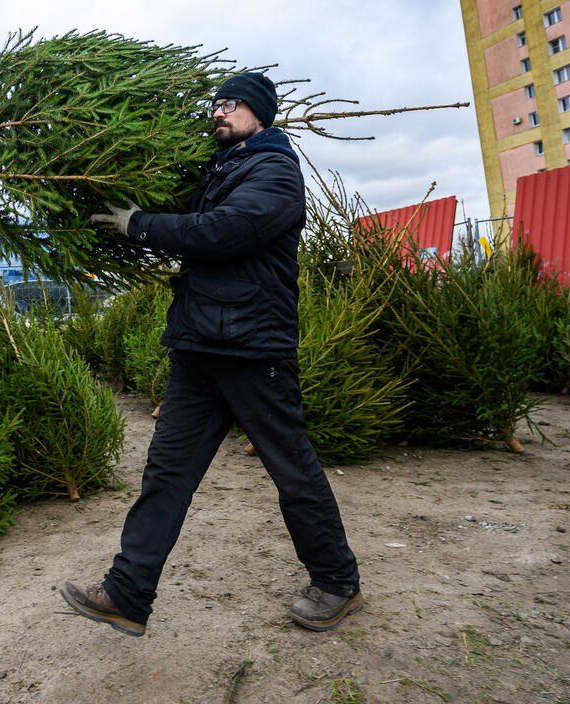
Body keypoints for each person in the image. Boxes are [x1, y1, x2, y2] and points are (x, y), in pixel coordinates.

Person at [61, 72, 362, 637]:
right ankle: (127, 593)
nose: (220, 111)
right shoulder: (219, 169)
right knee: (166, 474)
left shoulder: (274, 170)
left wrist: (140, 225)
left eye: (234, 103)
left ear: (261, 114)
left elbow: (224, 231)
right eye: (216, 103)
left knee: (292, 471)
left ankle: (338, 582)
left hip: (253, 350)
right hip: (199, 347)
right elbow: (197, 225)